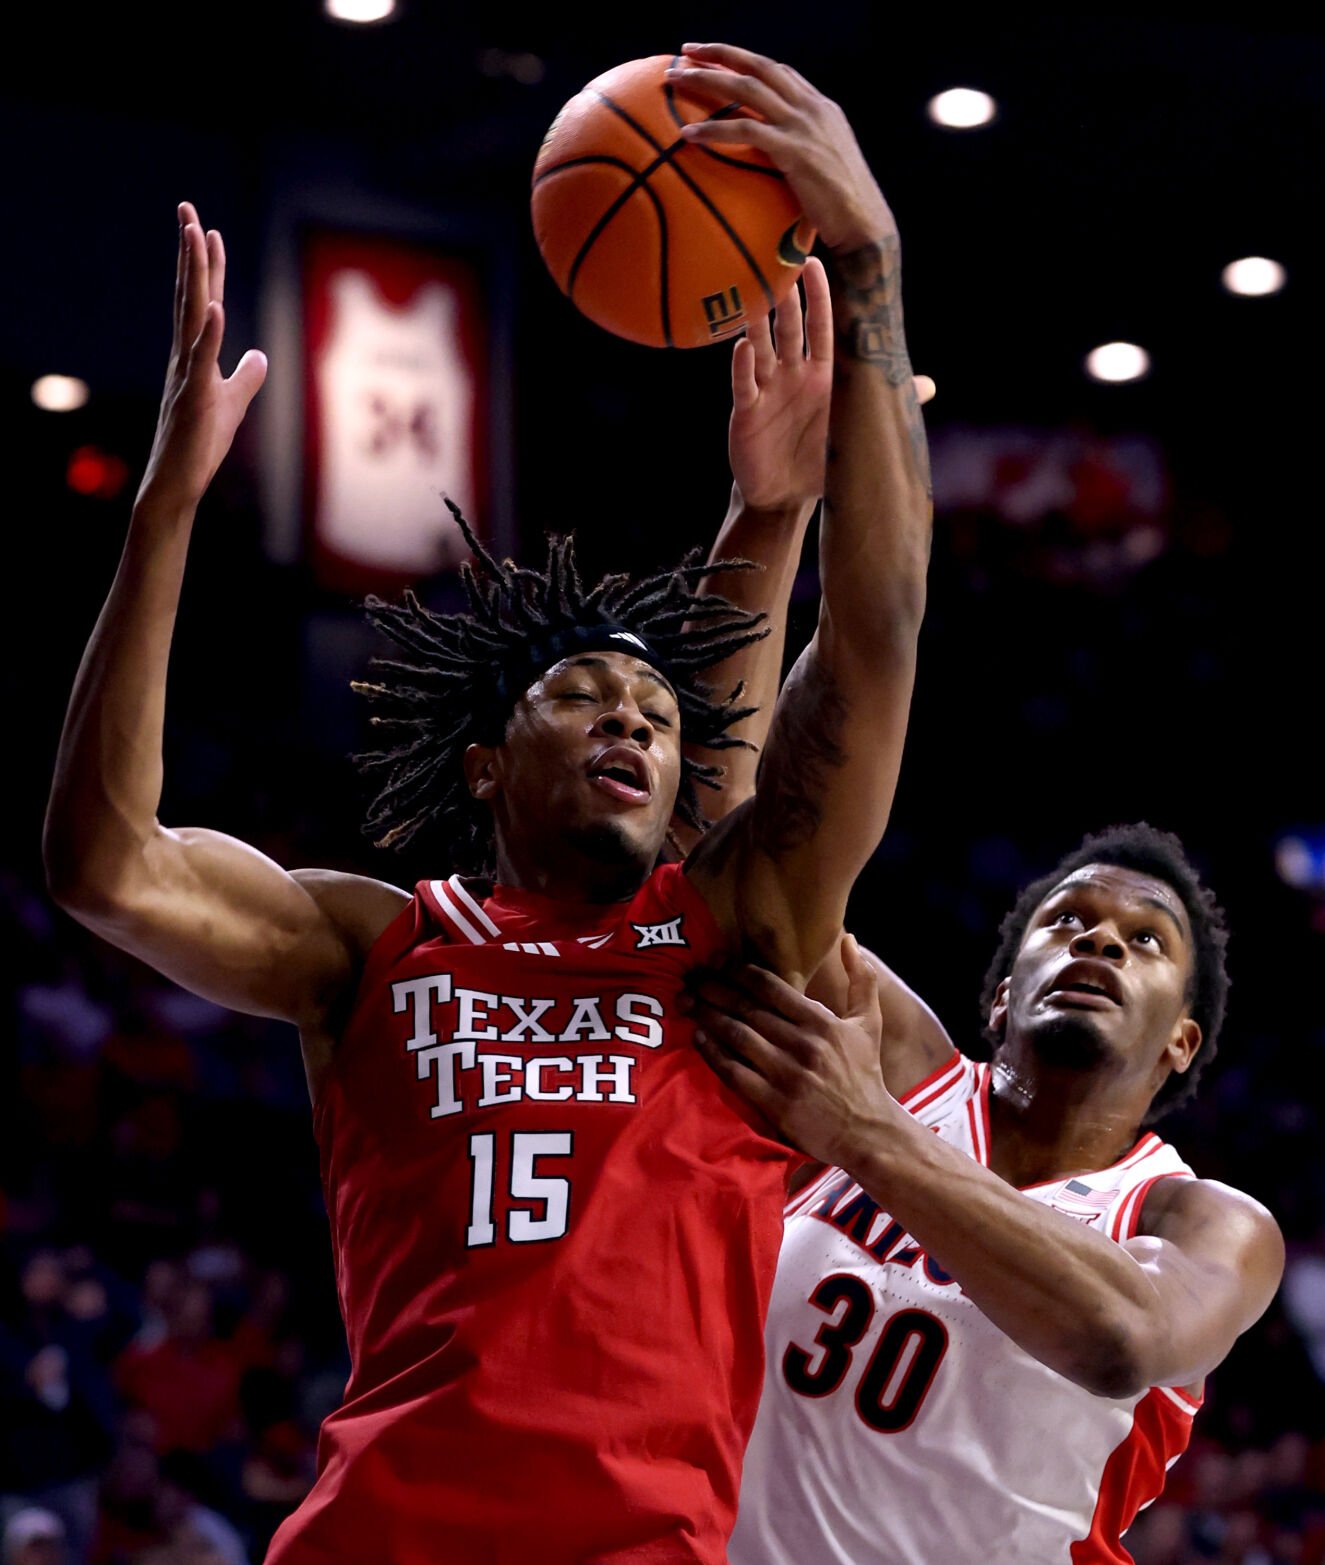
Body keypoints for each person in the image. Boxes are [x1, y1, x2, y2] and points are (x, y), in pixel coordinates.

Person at [42, 42, 932, 1565]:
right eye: (585, 695)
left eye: (658, 714)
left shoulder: (729, 936)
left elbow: (873, 642)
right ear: (481, 765)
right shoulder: (376, 945)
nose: (634, 725)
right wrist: (165, 511)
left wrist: (867, 273)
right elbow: (105, 864)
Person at [685, 824, 1285, 1564]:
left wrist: (863, 1133)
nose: (1099, 940)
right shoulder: (897, 1070)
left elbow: (1120, 1338)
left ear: (1180, 1040)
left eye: (1147, 939)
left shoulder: (1206, 1220)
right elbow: (762, 873)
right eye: (1067, 917)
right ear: (1002, 997)